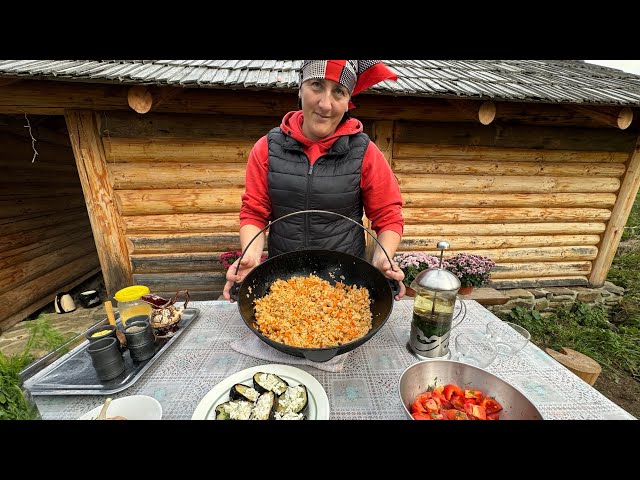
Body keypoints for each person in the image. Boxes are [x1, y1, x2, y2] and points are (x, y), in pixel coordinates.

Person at [223, 60, 406, 301]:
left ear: (347, 101)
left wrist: (383, 256)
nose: (325, 104)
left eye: (338, 92)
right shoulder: (267, 147)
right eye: (317, 85)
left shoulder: (365, 152)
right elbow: (255, 212)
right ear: (300, 88)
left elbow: (388, 214)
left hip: (346, 283)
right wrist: (251, 255)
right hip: (284, 281)